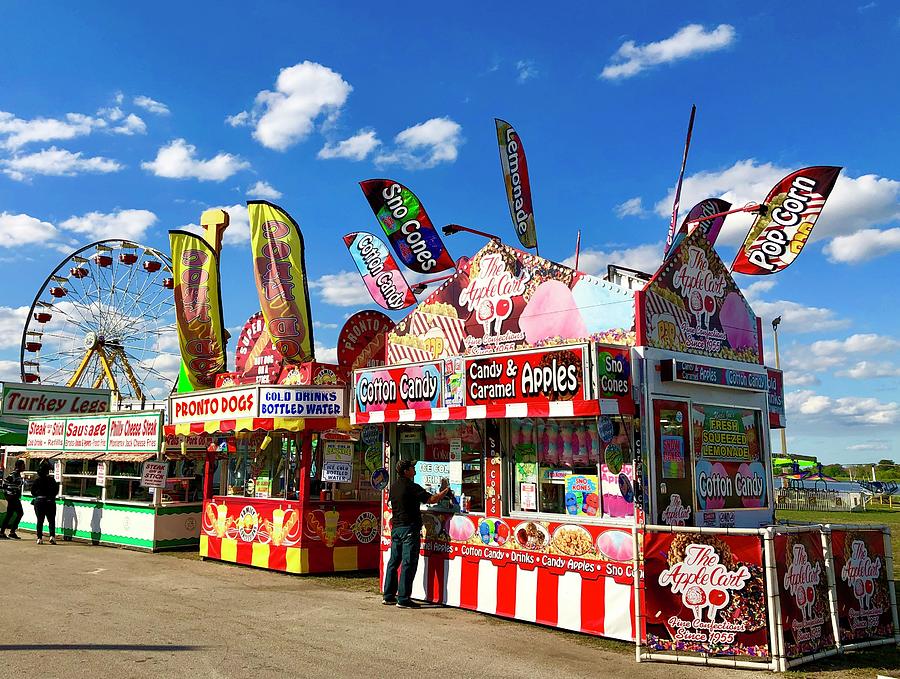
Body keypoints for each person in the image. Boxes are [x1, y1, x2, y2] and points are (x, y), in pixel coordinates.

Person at [382, 459, 451, 609]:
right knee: (408, 563)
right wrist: (445, 491)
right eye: (413, 468)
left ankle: (388, 595)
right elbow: (431, 499)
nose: (415, 470)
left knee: (393, 562)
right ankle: (403, 598)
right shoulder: (411, 487)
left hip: (396, 529)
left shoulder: (393, 487)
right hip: (409, 529)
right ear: (406, 471)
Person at [30, 461, 59, 545]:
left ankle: (39, 538)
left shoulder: (37, 480)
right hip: (50, 502)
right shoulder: (51, 480)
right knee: (51, 520)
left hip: (39, 501)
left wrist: (38, 495)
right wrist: (51, 496)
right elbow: (56, 490)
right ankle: (52, 537)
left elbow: (32, 492)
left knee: (40, 520)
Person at [0, 458, 26, 540]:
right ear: (19, 466)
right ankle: (11, 532)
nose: (24, 467)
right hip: (13, 498)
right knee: (20, 513)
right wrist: (8, 494)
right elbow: (4, 483)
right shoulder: (14, 474)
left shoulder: (18, 474)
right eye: (23, 466)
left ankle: (4, 532)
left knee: (9, 514)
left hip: (13, 497)